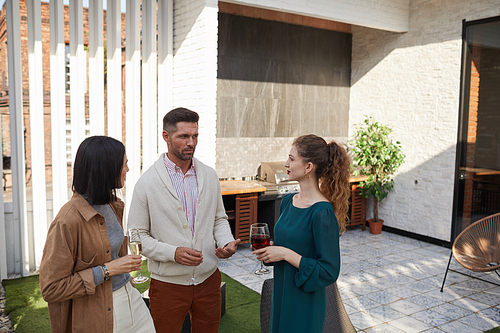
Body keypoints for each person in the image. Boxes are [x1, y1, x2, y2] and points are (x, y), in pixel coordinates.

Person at [128, 107, 241, 333]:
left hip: (209, 279)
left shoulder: (209, 175)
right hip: (167, 284)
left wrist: (226, 241)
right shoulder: (146, 183)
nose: (191, 142)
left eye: (195, 136)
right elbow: (137, 236)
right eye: (184, 136)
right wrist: (173, 253)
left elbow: (218, 218)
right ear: (166, 137)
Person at [39, 136, 156, 333]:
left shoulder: (112, 204)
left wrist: (123, 269)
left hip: (131, 297)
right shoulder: (67, 220)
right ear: (107, 169)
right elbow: (51, 288)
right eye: (124, 164)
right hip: (100, 311)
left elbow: (112, 254)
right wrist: (108, 269)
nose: (128, 170)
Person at [253, 134, 350, 333]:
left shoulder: (322, 212)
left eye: (291, 158)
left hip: (304, 302)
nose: (286, 163)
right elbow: (287, 245)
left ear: (308, 167)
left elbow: (329, 271)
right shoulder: (288, 202)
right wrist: (271, 251)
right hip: (281, 294)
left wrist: (285, 254)